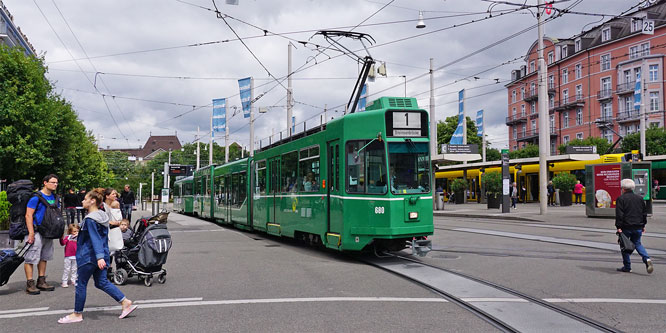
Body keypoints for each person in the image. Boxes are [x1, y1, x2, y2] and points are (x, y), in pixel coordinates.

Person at [57, 188, 137, 324]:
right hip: (102, 254)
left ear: (92, 201)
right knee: (101, 282)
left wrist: (99, 257)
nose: (82, 201)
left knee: (80, 283)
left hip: (89, 256)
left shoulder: (90, 219)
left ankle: (77, 314)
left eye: (85, 199)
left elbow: (95, 239)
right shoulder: (102, 216)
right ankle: (125, 302)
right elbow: (100, 237)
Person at [24, 174, 60, 295]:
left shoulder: (55, 197)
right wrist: (31, 232)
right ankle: (30, 283)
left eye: (56, 183)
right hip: (36, 231)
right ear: (45, 183)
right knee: (31, 258)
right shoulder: (36, 197)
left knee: (44, 257)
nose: (55, 184)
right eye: (53, 182)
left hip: (48, 231)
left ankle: (41, 280)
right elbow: (28, 215)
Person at [615, 179, 653, 274]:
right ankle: (647, 259)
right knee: (637, 243)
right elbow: (644, 213)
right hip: (638, 226)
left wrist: (618, 227)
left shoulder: (621, 199)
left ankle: (627, 266)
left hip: (626, 226)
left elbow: (620, 214)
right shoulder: (640, 198)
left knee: (625, 245)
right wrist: (643, 225)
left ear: (623, 189)